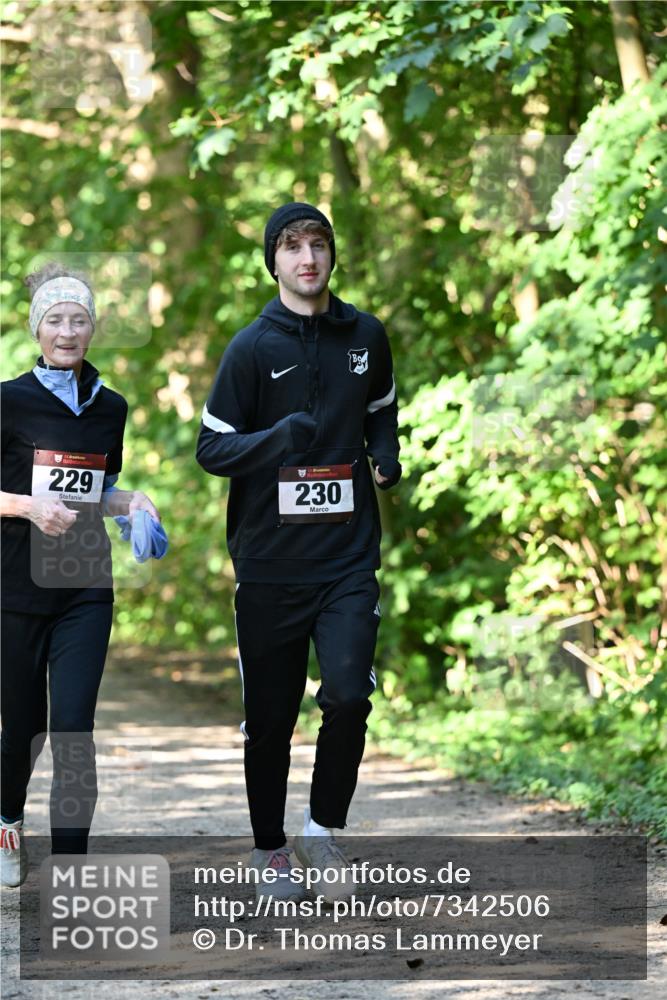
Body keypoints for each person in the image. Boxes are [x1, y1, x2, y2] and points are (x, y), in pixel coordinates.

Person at [196, 202, 401, 901]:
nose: (306, 258)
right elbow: (212, 449)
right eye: (291, 248)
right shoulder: (250, 349)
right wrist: (278, 437)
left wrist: (384, 453)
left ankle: (319, 831)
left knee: (347, 695)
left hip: (347, 558)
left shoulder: (365, 335)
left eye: (317, 244)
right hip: (269, 562)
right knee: (272, 720)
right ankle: (270, 851)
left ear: (330, 254)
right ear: (273, 261)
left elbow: (380, 405)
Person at [0, 263, 160, 887]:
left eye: (79, 319)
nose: (68, 331)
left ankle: (70, 869)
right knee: (23, 730)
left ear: (93, 328)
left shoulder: (110, 408)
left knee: (72, 728)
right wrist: (25, 506)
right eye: (56, 320)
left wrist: (133, 503)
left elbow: (100, 491)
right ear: (38, 329)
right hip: (14, 586)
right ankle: (7, 822)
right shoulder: (7, 400)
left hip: (85, 586)